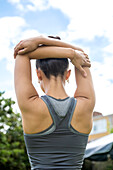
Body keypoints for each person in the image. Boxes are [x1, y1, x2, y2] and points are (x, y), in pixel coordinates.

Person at [14, 35, 95, 170]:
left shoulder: (30, 104)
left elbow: (21, 55)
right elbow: (83, 55)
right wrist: (43, 41)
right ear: (68, 74)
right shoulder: (86, 104)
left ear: (38, 74)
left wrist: (42, 41)